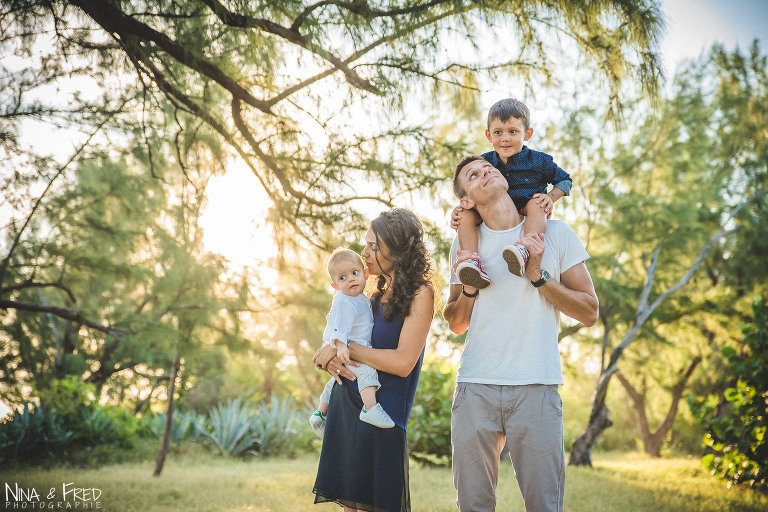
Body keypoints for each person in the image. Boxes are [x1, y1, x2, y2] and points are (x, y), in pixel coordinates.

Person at [444, 155, 598, 512]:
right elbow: (455, 323)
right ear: (465, 201)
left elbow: (589, 312)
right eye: (473, 174)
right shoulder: (464, 245)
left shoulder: (555, 233)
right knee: (473, 506)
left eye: (489, 168)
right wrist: (469, 289)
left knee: (545, 505)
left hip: (536, 386)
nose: (486, 172)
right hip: (475, 387)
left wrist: (538, 276)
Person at [312, 207, 436, 512]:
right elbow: (339, 337)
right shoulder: (369, 297)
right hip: (347, 406)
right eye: (366, 244)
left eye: (373, 246)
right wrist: (327, 356)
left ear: (396, 250)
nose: (364, 253)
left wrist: (347, 348)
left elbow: (403, 362)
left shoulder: (421, 294)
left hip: (385, 417)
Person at [453, 98, 573, 289]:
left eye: (513, 132)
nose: (505, 138)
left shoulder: (539, 161)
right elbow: (471, 191)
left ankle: (525, 249)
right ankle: (470, 260)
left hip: (532, 209)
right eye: (498, 132)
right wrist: (458, 210)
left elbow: (565, 180)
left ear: (527, 133)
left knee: (536, 203)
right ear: (488, 135)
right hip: (497, 213)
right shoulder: (486, 162)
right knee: (465, 215)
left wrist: (550, 197)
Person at [309, 247, 395, 437]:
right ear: (335, 286)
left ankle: (320, 412)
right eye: (342, 278)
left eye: (354, 273)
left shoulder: (358, 298)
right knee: (366, 372)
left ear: (365, 274)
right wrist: (340, 348)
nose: (350, 279)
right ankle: (370, 408)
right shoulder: (345, 301)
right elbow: (340, 328)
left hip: (347, 347)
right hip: (347, 348)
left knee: (337, 379)